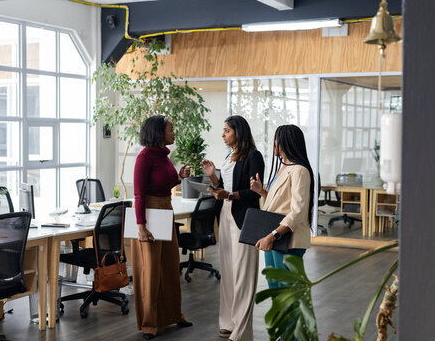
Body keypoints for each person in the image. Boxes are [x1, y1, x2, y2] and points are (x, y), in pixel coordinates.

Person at [200, 115, 264, 341]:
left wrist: (229, 194)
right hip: (226, 215)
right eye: (223, 130)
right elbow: (224, 189)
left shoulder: (254, 156)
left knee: (243, 273)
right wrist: (213, 179)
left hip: (244, 217)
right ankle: (227, 323)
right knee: (228, 271)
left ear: (239, 132)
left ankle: (242, 330)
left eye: (227, 130)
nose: (223, 134)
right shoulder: (229, 156)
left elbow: (255, 192)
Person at [131, 115, 193, 340]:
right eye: (171, 129)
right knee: (150, 272)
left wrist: (179, 177)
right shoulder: (144, 157)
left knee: (170, 267)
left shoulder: (164, 156)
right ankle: (149, 324)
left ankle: (175, 314)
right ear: (158, 132)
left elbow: (163, 183)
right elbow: (139, 194)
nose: (174, 133)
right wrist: (141, 226)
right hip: (149, 214)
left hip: (165, 210)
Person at [249, 124, 314, 288]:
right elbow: (281, 202)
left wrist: (271, 236)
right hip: (276, 237)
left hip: (286, 240)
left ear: (286, 143)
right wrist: (262, 192)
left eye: (275, 141)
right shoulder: (284, 167)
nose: (273, 145)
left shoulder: (300, 171)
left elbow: (297, 212)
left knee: (287, 293)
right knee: (275, 290)